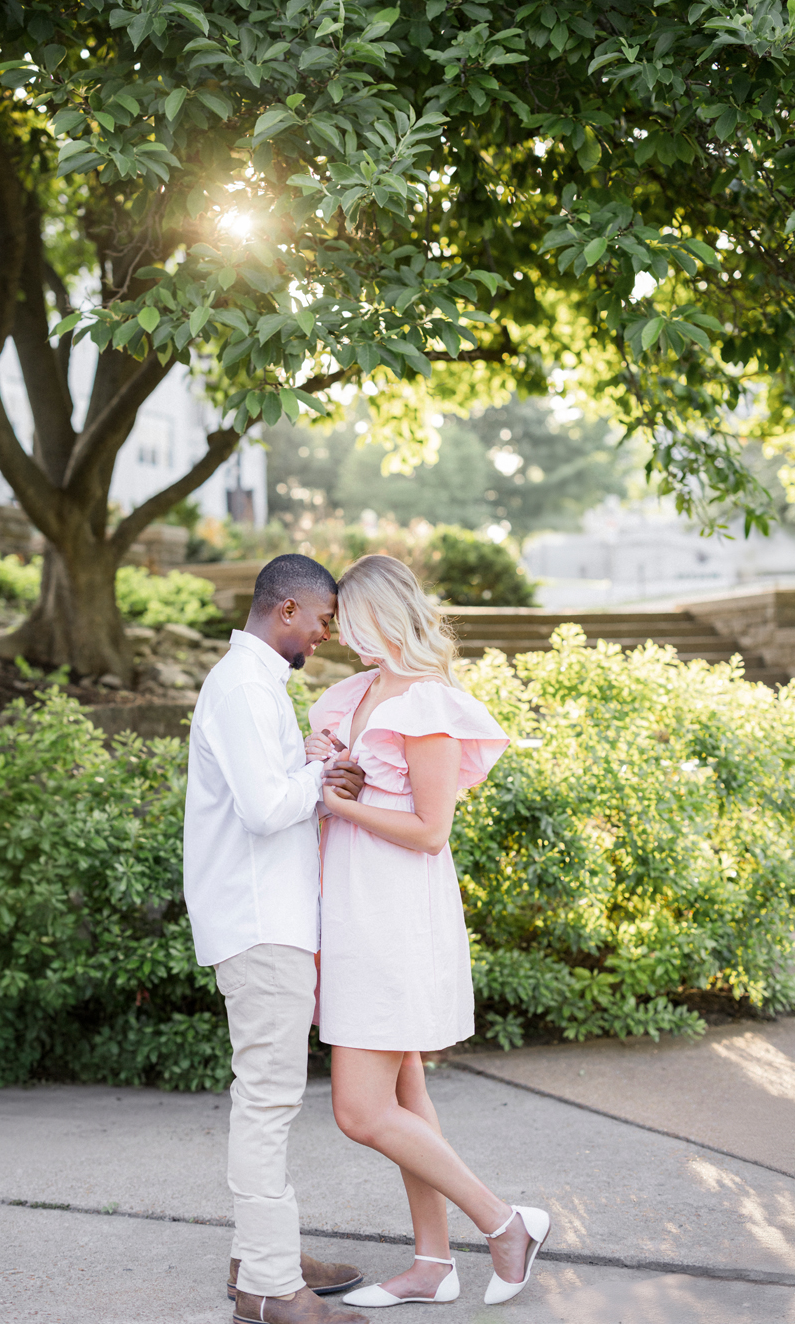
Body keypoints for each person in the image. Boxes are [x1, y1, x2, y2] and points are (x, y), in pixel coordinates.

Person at [305, 555, 550, 1309]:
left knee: (361, 1111)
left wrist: (339, 800)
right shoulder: (350, 695)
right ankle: (432, 1263)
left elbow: (430, 830)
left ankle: (504, 1223)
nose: (341, 636)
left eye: (349, 621)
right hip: (344, 907)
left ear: (383, 614)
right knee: (405, 1095)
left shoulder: (429, 704)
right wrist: (318, 765)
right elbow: (321, 783)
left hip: (393, 916)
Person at [184, 553, 371, 1324]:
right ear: (287, 609)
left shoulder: (256, 683)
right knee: (267, 1099)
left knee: (269, 1097)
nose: (326, 634)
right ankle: (266, 1286)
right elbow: (264, 809)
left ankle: (261, 1251)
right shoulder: (242, 685)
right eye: (324, 620)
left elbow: (261, 787)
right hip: (260, 924)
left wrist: (308, 763)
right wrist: (323, 786)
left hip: (268, 918)